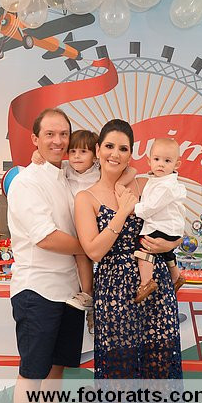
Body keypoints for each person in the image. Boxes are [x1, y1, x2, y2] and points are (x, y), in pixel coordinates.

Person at [73, 119, 187, 403]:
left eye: (123, 148)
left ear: (132, 153)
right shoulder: (86, 198)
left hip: (155, 284)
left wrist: (172, 244)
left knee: (159, 365)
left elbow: (170, 224)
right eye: (109, 146)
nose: (115, 154)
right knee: (120, 373)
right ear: (97, 150)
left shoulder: (144, 185)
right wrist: (123, 210)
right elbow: (94, 250)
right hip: (113, 290)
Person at [6, 108, 90, 403]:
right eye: (50, 134)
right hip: (36, 289)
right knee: (32, 372)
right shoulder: (26, 182)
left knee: (56, 368)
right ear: (35, 140)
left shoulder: (67, 176)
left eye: (64, 135)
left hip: (69, 291)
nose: (58, 141)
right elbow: (45, 237)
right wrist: (90, 247)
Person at [31, 130, 136, 327]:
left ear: (95, 154)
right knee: (80, 256)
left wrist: (120, 185)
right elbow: (47, 163)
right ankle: (88, 295)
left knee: (88, 255)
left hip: (92, 226)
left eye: (83, 152)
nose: (77, 157)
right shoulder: (66, 169)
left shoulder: (99, 170)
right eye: (72, 151)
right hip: (71, 225)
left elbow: (131, 171)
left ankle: (90, 298)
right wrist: (38, 154)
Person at [132, 137, 187, 303]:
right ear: (149, 161)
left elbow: (151, 207)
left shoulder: (166, 186)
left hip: (164, 227)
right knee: (167, 252)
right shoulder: (158, 180)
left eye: (167, 161)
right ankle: (176, 277)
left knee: (144, 247)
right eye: (157, 159)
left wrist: (134, 209)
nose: (161, 164)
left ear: (177, 164)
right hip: (170, 228)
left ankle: (146, 282)